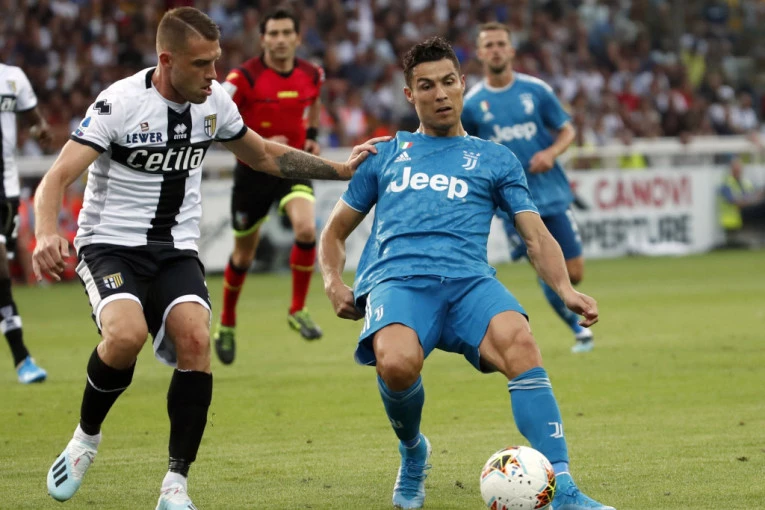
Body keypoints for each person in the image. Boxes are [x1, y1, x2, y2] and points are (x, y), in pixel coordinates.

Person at [33, 8, 381, 509]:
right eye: (201, 64)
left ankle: (175, 487)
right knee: (126, 336)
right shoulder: (119, 103)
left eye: (215, 61)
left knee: (197, 341)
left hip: (175, 248)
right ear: (166, 61)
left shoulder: (214, 102)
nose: (213, 75)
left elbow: (264, 155)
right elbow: (55, 179)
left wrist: (341, 169)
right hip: (110, 245)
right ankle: (85, 440)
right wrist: (46, 232)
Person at [319, 36, 614, 510]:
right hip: (398, 282)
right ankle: (413, 452)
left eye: (448, 82)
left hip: (468, 283)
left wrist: (565, 289)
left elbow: (535, 235)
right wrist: (333, 282)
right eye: (426, 86)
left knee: (520, 342)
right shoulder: (385, 155)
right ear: (409, 94)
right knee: (396, 363)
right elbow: (333, 233)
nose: (440, 94)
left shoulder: (496, 159)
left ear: (462, 84)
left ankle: (564, 488)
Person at [461, 23, 594, 353]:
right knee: (547, 267)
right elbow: (466, 149)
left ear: (510, 50)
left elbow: (567, 130)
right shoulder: (473, 104)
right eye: (488, 45)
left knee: (574, 272)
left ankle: (549, 277)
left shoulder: (535, 90)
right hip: (511, 201)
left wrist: (550, 153)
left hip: (551, 193)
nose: (495, 50)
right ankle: (580, 333)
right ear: (479, 54)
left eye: (500, 44)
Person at [213, 6, 325, 366]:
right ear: (262, 39)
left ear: (297, 38)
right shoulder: (243, 77)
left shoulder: (312, 74)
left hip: (291, 166)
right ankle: (227, 322)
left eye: (286, 33)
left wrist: (312, 135)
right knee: (243, 256)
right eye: (273, 34)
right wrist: (255, 142)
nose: (280, 40)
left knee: (306, 229)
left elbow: (314, 103)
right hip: (252, 173)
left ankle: (298, 309)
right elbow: (213, 117)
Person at [0, 61, 50, 383]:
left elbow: (32, 117)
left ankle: (22, 361)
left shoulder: (13, 77)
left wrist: (40, 128)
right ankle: (22, 358)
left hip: (7, 191)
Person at [718, 156, 765, 248]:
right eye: (736, 167)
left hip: (747, 213)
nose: (738, 170)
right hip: (734, 218)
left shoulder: (745, 182)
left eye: (739, 167)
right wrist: (752, 200)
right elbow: (735, 202)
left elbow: (755, 194)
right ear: (731, 169)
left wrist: (757, 196)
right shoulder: (726, 184)